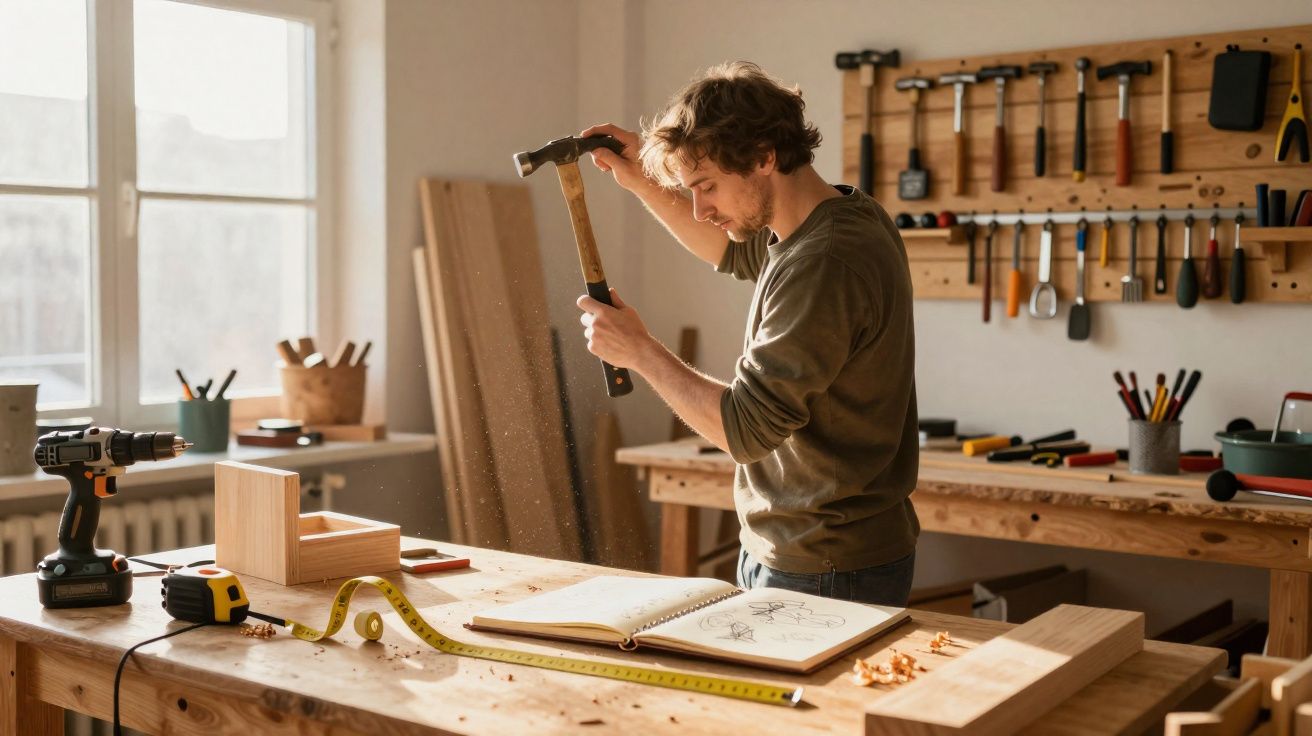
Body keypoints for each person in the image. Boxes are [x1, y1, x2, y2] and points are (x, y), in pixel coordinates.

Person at [576, 61, 918, 606]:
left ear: (764, 156)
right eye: (691, 189)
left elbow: (745, 429)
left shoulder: (826, 261)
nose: (699, 208)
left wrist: (639, 351)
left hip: (824, 563)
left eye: (707, 186)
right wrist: (641, 176)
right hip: (794, 548)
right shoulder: (831, 220)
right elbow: (732, 250)